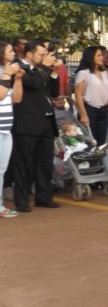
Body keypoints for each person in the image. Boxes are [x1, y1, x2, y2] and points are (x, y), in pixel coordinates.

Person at [11, 40, 63, 212]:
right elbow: (32, 84)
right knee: (24, 163)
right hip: (26, 123)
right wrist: (47, 68)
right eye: (41, 54)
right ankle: (22, 201)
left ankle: (44, 197)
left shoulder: (41, 69)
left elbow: (53, 92)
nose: (44, 57)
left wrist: (54, 73)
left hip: (46, 121)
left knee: (45, 162)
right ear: (29, 54)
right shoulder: (18, 67)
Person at [0, 41, 23, 217]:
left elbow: (16, 99)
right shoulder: (4, 73)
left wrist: (18, 79)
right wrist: (7, 75)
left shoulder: (8, 73)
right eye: (10, 50)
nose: (13, 53)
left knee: (1, 170)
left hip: (6, 130)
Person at [74, 46, 108, 148]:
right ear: (91, 57)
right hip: (90, 110)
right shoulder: (83, 73)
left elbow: (105, 88)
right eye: (98, 55)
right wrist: (83, 114)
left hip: (103, 110)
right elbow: (78, 95)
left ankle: (100, 163)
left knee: (101, 143)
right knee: (91, 142)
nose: (102, 58)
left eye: (102, 55)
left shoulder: (104, 73)